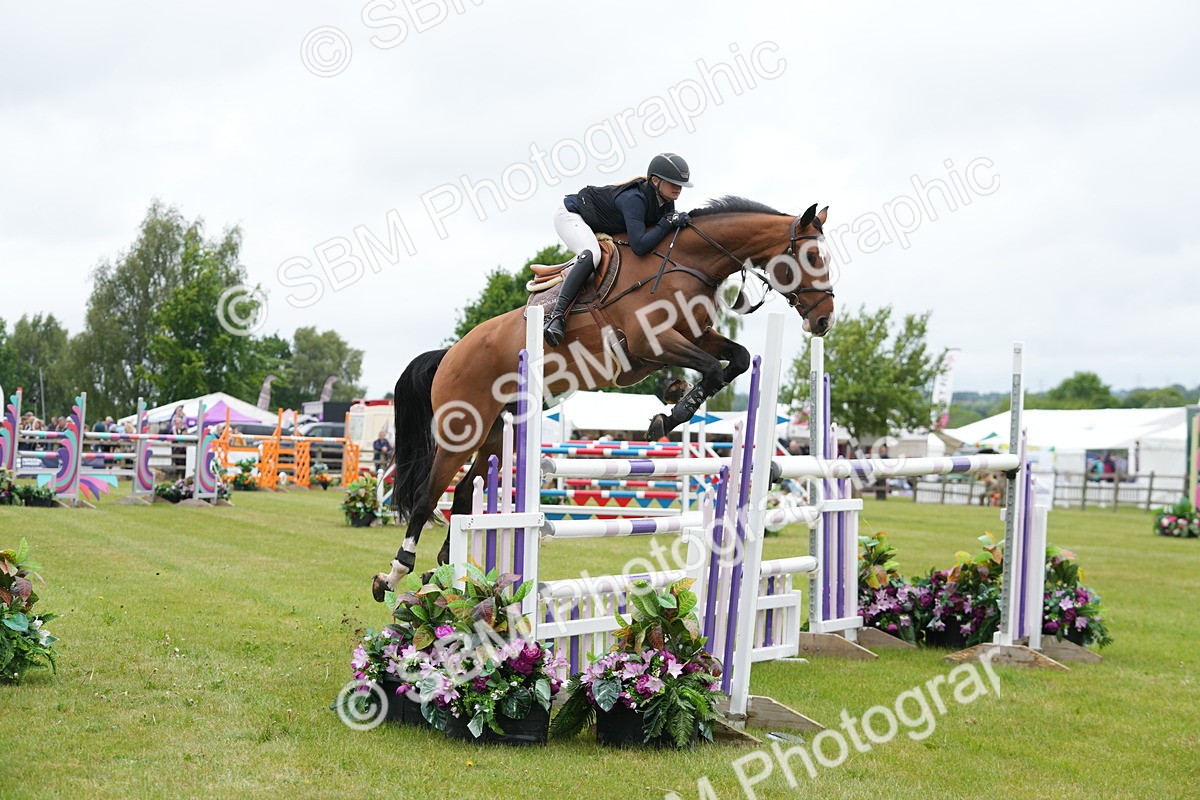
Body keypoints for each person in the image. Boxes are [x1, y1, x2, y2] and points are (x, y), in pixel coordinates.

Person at [544, 152, 694, 346]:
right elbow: (640, 245)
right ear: (655, 181)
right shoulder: (635, 199)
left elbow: (660, 233)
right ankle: (556, 317)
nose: (678, 189)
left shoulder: (665, 202)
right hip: (571, 215)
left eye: (680, 185)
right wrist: (668, 223)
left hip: (598, 224)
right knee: (593, 254)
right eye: (673, 183)